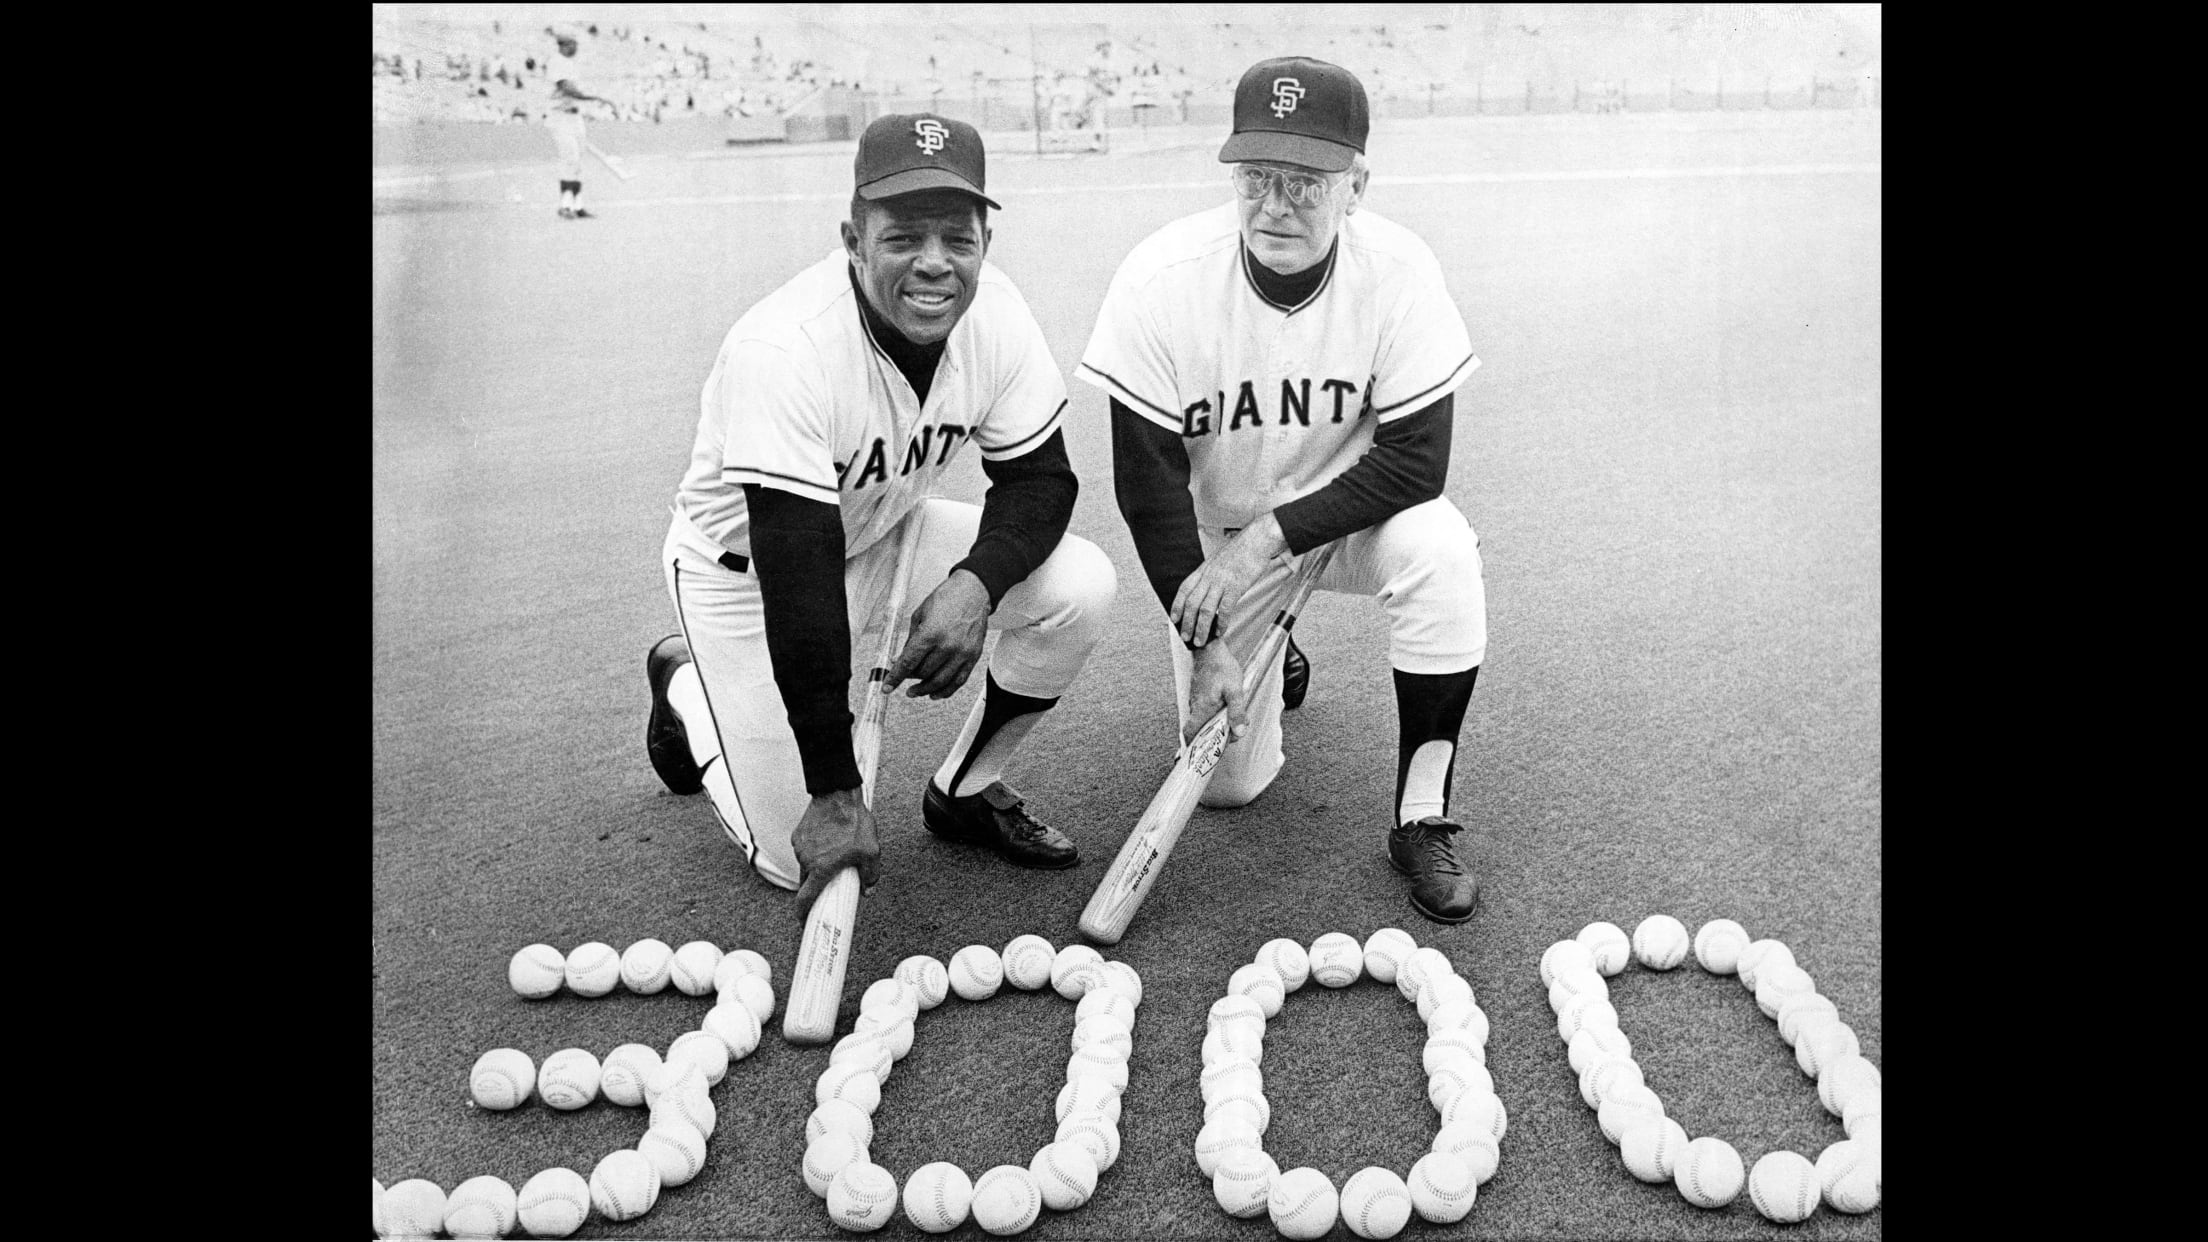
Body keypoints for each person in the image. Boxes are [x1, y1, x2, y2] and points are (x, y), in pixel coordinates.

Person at [645, 114, 1117, 917]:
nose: (934, 263)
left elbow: (1041, 481)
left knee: (1080, 583)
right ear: (853, 240)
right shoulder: (786, 347)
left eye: (956, 239)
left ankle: (966, 786)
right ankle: (688, 691)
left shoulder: (996, 316)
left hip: (885, 535)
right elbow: (798, 574)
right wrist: (834, 789)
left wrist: (975, 584)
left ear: (985, 243)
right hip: (750, 580)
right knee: (796, 863)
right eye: (903, 236)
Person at [1075, 56, 1490, 924]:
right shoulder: (1162, 282)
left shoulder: (1400, 272)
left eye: (1305, 182)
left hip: (1350, 518)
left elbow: (1418, 462)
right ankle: (1271, 655)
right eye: (1256, 177)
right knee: (1229, 788)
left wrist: (1271, 538)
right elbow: (1147, 487)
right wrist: (1212, 642)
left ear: (1358, 183)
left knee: (1443, 551)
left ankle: (1420, 814)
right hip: (1217, 547)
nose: (1275, 206)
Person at [543, 29, 614, 219]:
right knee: (570, 159)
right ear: (564, 45)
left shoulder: (569, 64)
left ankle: (577, 205)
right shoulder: (556, 63)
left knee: (578, 162)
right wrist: (596, 97)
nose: (576, 47)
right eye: (573, 44)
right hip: (560, 117)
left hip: (574, 117)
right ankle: (565, 205)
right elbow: (569, 89)